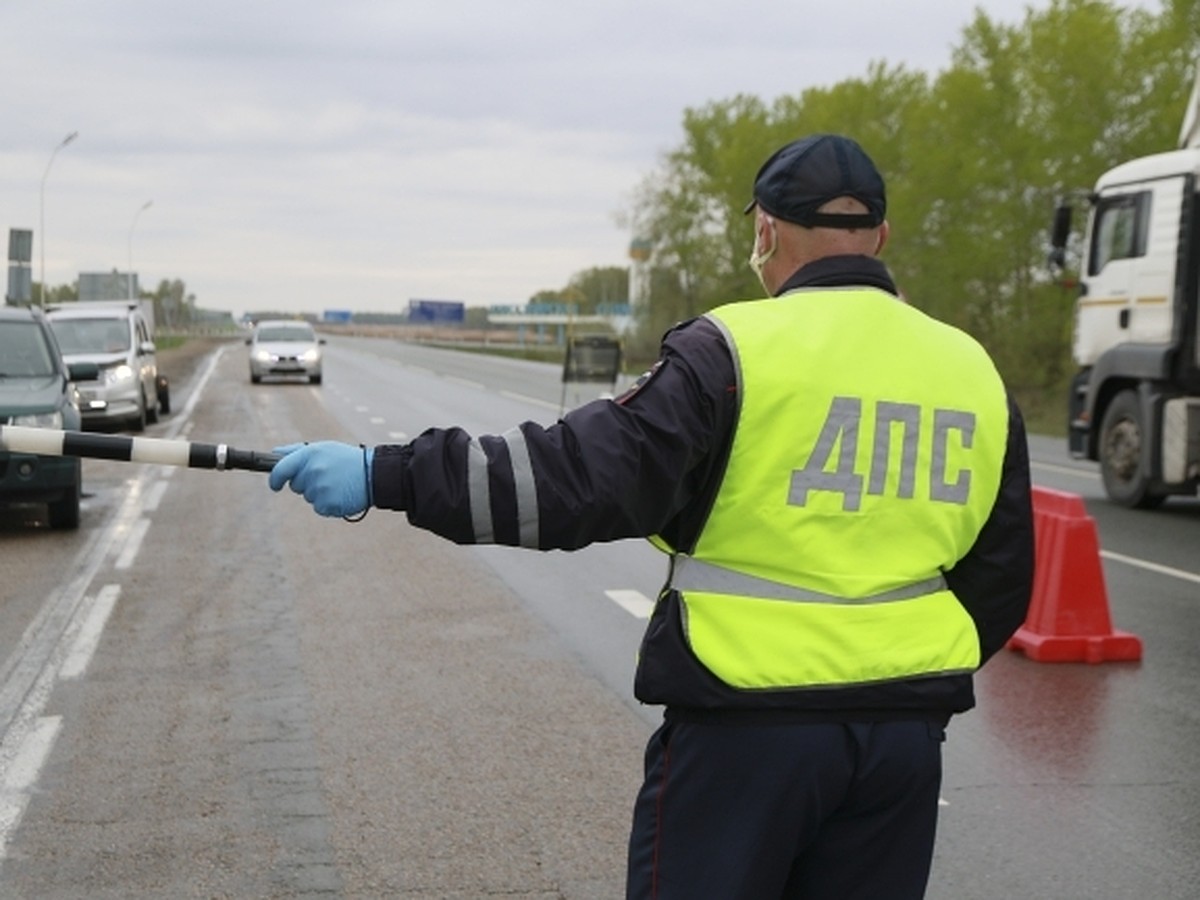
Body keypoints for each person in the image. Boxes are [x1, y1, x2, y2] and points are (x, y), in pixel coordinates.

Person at [269, 133, 1035, 900]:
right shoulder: (971, 369)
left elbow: (570, 480)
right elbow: (1001, 576)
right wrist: (911, 688)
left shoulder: (732, 351)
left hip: (744, 732)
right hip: (900, 749)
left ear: (765, 231)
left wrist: (387, 473)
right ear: (881, 236)